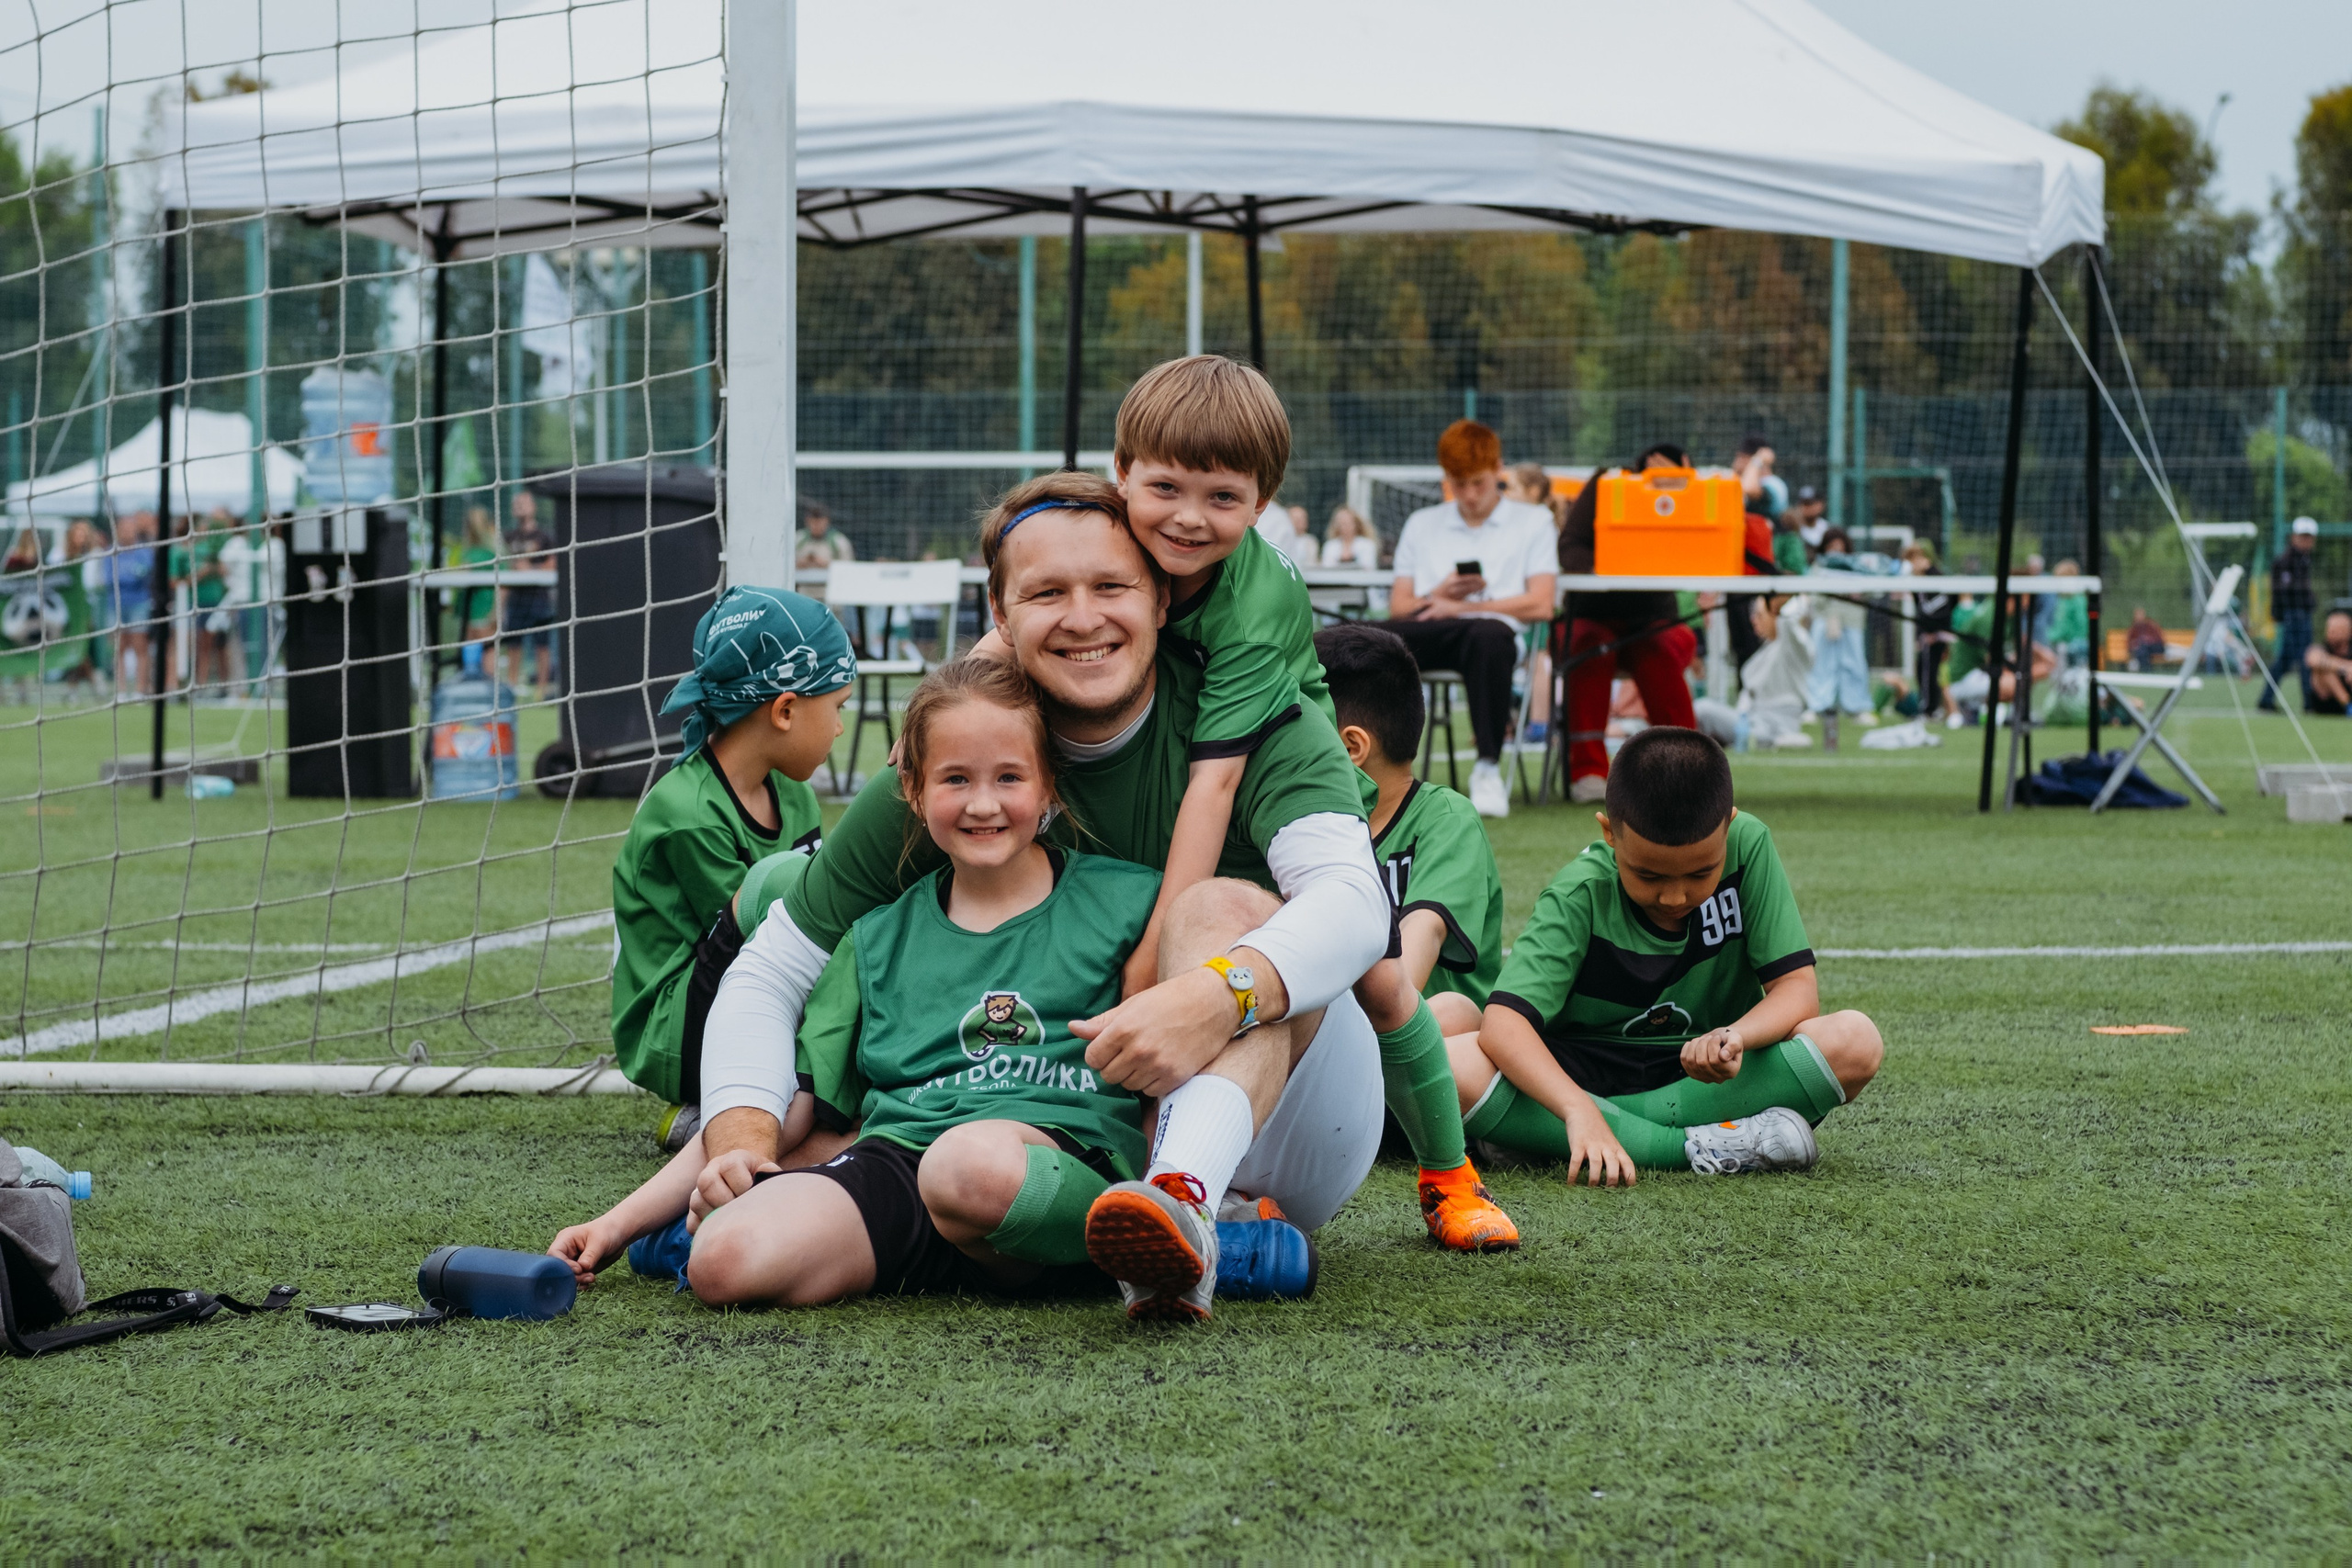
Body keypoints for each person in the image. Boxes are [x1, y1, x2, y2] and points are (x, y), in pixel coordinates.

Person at [694, 471, 1489, 1324]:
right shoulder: (969, 751)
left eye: (1111, 586)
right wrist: (741, 1138)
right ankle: (1063, 1226)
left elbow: (1357, 908)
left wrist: (1215, 994)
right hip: (1031, 1118)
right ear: (1000, 613)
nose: (1082, 617)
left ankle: (1184, 1197)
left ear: (1161, 596)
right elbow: (776, 962)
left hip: (1284, 1127)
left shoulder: (1259, 713)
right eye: (1046, 592)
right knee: (765, 1215)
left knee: (1221, 909)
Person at [553, 658, 1191, 1308]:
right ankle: (946, 1258)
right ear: (912, 789)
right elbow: (791, 1104)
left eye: (1009, 777)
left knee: (967, 1164)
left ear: (1049, 785)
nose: (982, 802)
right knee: (722, 1257)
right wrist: (618, 1221)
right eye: (955, 778)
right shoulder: (874, 936)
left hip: (1056, 1163)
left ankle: (1157, 1245)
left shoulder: (1131, 902)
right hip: (906, 1165)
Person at [1450, 727, 1883, 1183]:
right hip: (1588, 1070)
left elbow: (1796, 989)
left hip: (1711, 1073)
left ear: (1729, 826)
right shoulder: (1580, 892)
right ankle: (1698, 1147)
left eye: (1701, 872)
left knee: (1856, 1041)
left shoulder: (1749, 845)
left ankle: (1544, 1135)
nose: (1675, 897)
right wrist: (1576, 1107)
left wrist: (1734, 1036)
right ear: (1609, 834)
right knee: (1452, 1059)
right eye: (1648, 875)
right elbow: (1503, 1024)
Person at [610, 585, 855, 1141]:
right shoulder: (687, 813)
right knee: (785, 890)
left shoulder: (794, 796)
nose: (840, 728)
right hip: (680, 1030)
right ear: (786, 709)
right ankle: (720, 1105)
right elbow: (766, 943)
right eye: (837, 708)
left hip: (750, 993)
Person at [1316, 623, 1501, 1035]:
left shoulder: (1446, 821)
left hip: (1418, 1037)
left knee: (1452, 1013)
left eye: (1298, 733)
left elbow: (1405, 983)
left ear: (1352, 749)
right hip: (1333, 1032)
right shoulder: (1306, 828)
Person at [1387, 420, 1558, 818]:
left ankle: (1486, 766)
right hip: (1431, 629)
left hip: (1491, 638)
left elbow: (1542, 604)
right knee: (1356, 640)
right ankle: (1361, 770)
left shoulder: (1533, 522)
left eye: (1478, 482)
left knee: (1488, 636)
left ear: (1498, 468)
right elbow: (1399, 607)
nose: (1469, 494)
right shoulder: (1422, 523)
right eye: (1458, 483)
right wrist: (1440, 596)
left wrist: (1460, 607)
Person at [1555, 441, 1702, 802]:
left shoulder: (1697, 498)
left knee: (1660, 652)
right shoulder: (1607, 485)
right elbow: (1568, 547)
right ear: (1645, 465)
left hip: (1654, 619)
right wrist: (1612, 563)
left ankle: (1692, 771)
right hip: (1591, 614)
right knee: (1590, 649)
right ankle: (1588, 772)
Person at [1804, 528, 1873, 733]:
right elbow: (1814, 596)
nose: (1835, 550)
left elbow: (1870, 590)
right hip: (1824, 620)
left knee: (1854, 663)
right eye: (1831, 546)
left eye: (1839, 545)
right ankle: (1816, 706)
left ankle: (1857, 708)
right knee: (1821, 664)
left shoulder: (1857, 566)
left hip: (1851, 621)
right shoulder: (1818, 567)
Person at [2260, 517, 2320, 711]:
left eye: (2309, 537)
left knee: (2286, 661)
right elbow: (2285, 593)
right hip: (2295, 617)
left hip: (2300, 615)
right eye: (2303, 536)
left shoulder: (2304, 561)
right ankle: (2308, 702)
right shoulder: (2285, 562)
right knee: (2304, 658)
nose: (2306, 541)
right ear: (2294, 537)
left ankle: (2266, 700)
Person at [503, 490, 559, 691]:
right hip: (516, 598)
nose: (520, 508)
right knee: (513, 644)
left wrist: (528, 569)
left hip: (539, 598)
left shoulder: (545, 536)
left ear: (533, 507)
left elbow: (552, 565)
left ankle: (541, 690)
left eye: (523, 503)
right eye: (516, 504)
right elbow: (504, 567)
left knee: (542, 645)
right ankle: (511, 686)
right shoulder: (508, 537)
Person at [1902, 540, 1954, 720]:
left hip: (1939, 635)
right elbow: (1920, 611)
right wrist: (1921, 635)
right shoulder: (1918, 582)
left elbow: (1941, 609)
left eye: (1916, 558)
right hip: (1927, 636)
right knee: (1922, 669)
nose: (1913, 564)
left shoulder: (1937, 578)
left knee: (1932, 672)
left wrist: (1935, 633)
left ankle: (1931, 708)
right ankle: (1928, 706)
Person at [456, 506, 501, 646]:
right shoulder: (468, 551)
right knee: (471, 656)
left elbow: (504, 586)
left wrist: (497, 611)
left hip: (483, 613)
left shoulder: (490, 553)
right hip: (469, 612)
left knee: (486, 652)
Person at [2305, 608, 2352, 716]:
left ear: (2349, 632)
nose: (2330, 633)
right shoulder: (2321, 648)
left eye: (2336, 630)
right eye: (2329, 629)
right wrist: (2347, 667)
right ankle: (2349, 706)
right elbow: (2313, 660)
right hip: (2326, 702)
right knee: (2324, 672)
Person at [794, 501, 854, 576]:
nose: (816, 526)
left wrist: (827, 565)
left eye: (820, 522)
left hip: (829, 586)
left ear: (827, 521)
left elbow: (849, 568)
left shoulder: (839, 541)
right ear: (807, 521)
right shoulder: (797, 539)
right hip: (801, 586)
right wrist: (800, 563)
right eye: (813, 522)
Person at [1319, 505, 1380, 571]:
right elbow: (1327, 569)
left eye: (1348, 522)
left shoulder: (1367, 545)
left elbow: (1368, 568)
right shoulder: (1330, 546)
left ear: (1356, 524)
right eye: (1341, 523)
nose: (1345, 526)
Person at [1786, 484, 1829, 555]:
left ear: (1820, 505)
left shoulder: (1825, 528)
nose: (1805, 507)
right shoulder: (1791, 526)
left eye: (1810, 503)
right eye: (1803, 503)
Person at [2125, 607, 2168, 673]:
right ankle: (2147, 671)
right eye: (2137, 615)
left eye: (2140, 615)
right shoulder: (2133, 628)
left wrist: (2147, 641)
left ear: (2144, 615)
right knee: (2142, 651)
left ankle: (2145, 671)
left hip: (2156, 648)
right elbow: (2129, 643)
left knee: (2143, 648)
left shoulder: (2151, 625)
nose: (2139, 617)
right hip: (2143, 651)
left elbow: (2159, 639)